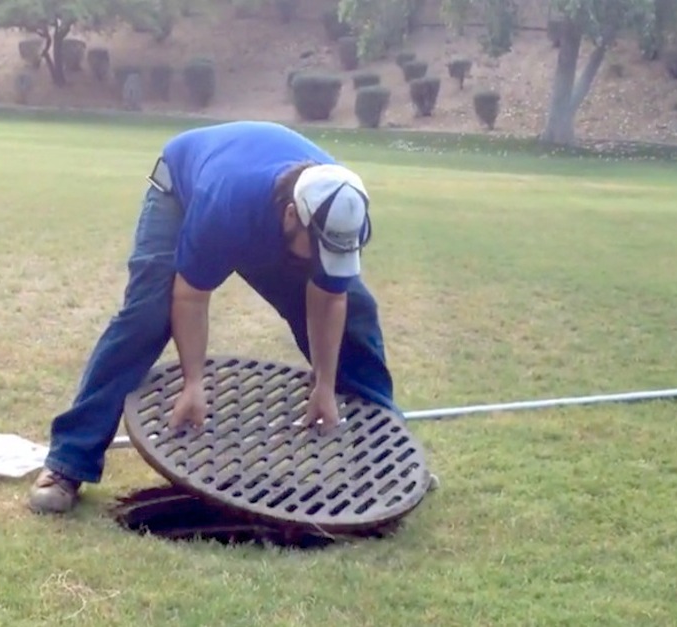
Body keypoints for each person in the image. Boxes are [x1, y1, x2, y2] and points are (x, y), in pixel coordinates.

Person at [28, 120, 400, 515]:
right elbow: (190, 297)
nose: (327, 261)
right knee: (146, 316)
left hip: (269, 208)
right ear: (292, 215)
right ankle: (69, 461)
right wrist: (193, 382)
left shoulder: (337, 209)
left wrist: (325, 385)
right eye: (320, 249)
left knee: (358, 311)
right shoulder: (226, 206)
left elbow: (330, 301)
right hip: (181, 193)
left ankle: (386, 457)